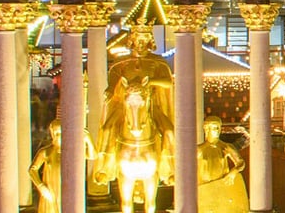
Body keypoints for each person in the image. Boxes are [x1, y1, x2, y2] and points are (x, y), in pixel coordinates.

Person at [93, 29, 175, 186]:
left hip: (150, 105)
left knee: (169, 131)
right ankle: (104, 166)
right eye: (138, 41)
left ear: (150, 42)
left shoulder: (158, 62)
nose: (140, 44)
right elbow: (113, 81)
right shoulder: (121, 63)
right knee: (107, 129)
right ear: (131, 42)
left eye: (144, 41)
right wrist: (111, 89)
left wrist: (151, 81)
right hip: (125, 105)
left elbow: (168, 82)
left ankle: (169, 168)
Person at [29, 119, 96, 213]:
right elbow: (32, 170)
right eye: (55, 133)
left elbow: (92, 156)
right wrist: (41, 187)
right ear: (51, 133)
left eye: (60, 132)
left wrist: (88, 140)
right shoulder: (46, 152)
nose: (58, 135)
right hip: (51, 188)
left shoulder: (72, 151)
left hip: (69, 187)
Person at [196, 116, 247, 213]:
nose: (218, 130)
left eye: (219, 127)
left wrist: (233, 172)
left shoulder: (226, 147)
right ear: (206, 129)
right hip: (204, 187)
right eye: (215, 127)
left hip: (222, 187)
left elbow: (240, 162)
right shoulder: (199, 150)